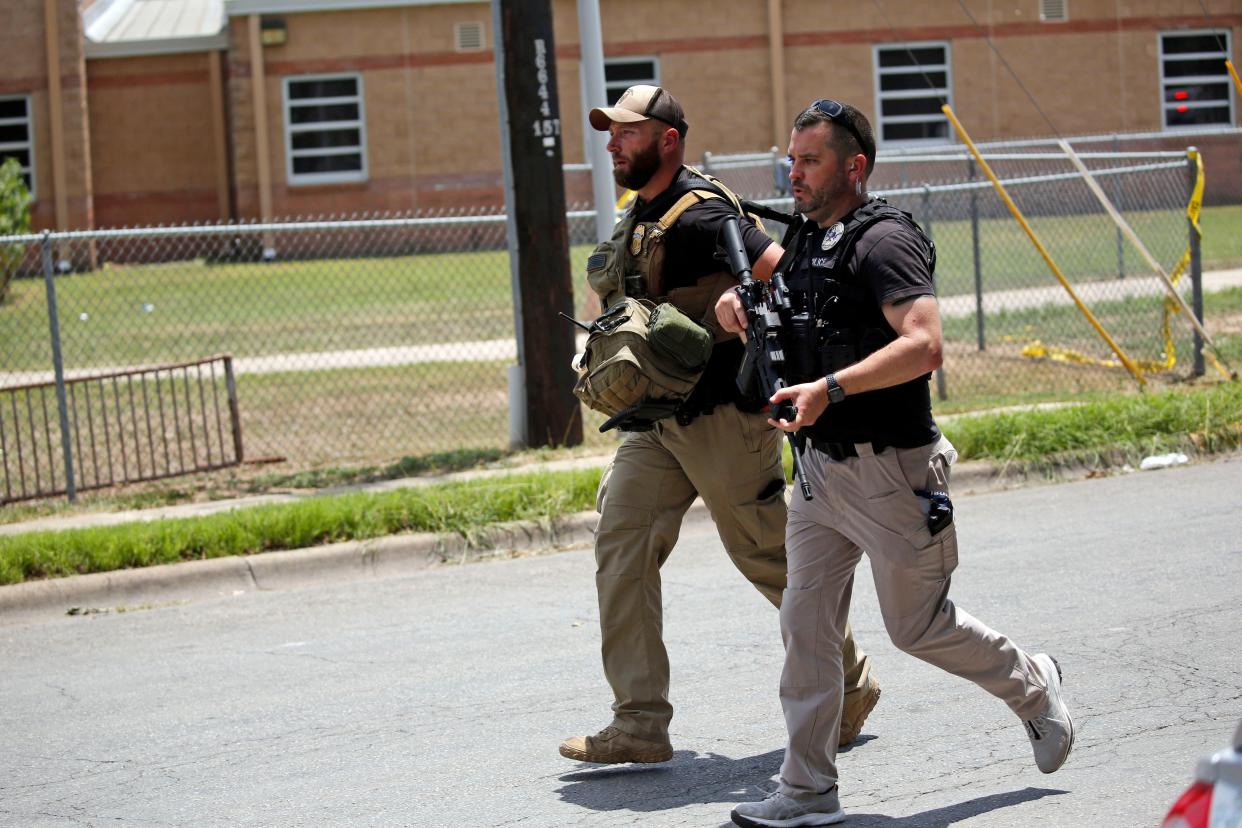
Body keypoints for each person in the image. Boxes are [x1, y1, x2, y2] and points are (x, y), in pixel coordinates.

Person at [721, 100, 1074, 827]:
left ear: (854, 166)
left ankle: (1034, 686)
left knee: (917, 627)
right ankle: (809, 790)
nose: (795, 172)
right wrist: (742, 305)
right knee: (805, 622)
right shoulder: (813, 241)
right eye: (790, 159)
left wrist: (831, 389)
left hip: (892, 472)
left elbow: (925, 344)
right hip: (820, 473)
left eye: (809, 160)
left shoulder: (884, 241)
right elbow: (793, 308)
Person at [558, 86, 882, 766]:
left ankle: (850, 685)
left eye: (627, 132)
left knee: (769, 557)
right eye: (609, 132)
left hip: (722, 423)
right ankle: (640, 722)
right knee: (621, 546)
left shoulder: (703, 213)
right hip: (655, 423)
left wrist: (747, 292)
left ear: (667, 140)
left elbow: (789, 276)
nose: (612, 143)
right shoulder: (641, 212)